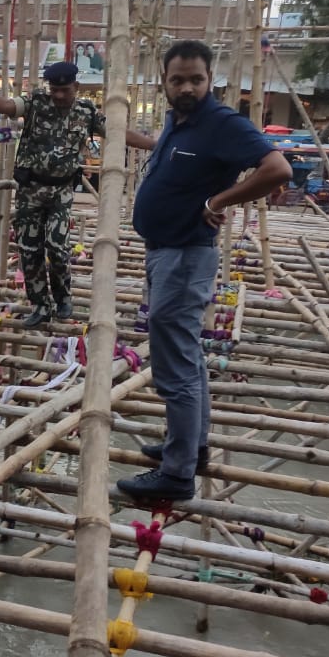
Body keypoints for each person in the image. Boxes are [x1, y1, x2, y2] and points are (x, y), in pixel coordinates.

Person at [117, 39, 292, 503]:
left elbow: (277, 169)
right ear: (165, 83)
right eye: (178, 80)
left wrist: (219, 201)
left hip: (185, 255)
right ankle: (189, 449)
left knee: (174, 365)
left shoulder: (222, 123)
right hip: (166, 253)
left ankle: (176, 476)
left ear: (210, 79)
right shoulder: (178, 121)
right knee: (187, 358)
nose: (188, 87)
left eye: (196, 79)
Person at [0, 61, 155, 327]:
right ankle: (40, 305)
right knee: (29, 249)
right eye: (55, 90)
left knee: (57, 246)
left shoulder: (86, 112)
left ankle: (63, 297)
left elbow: (119, 133)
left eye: (64, 90)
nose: (58, 95)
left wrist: (155, 144)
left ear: (76, 87)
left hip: (61, 190)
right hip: (31, 190)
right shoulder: (36, 102)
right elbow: (6, 108)